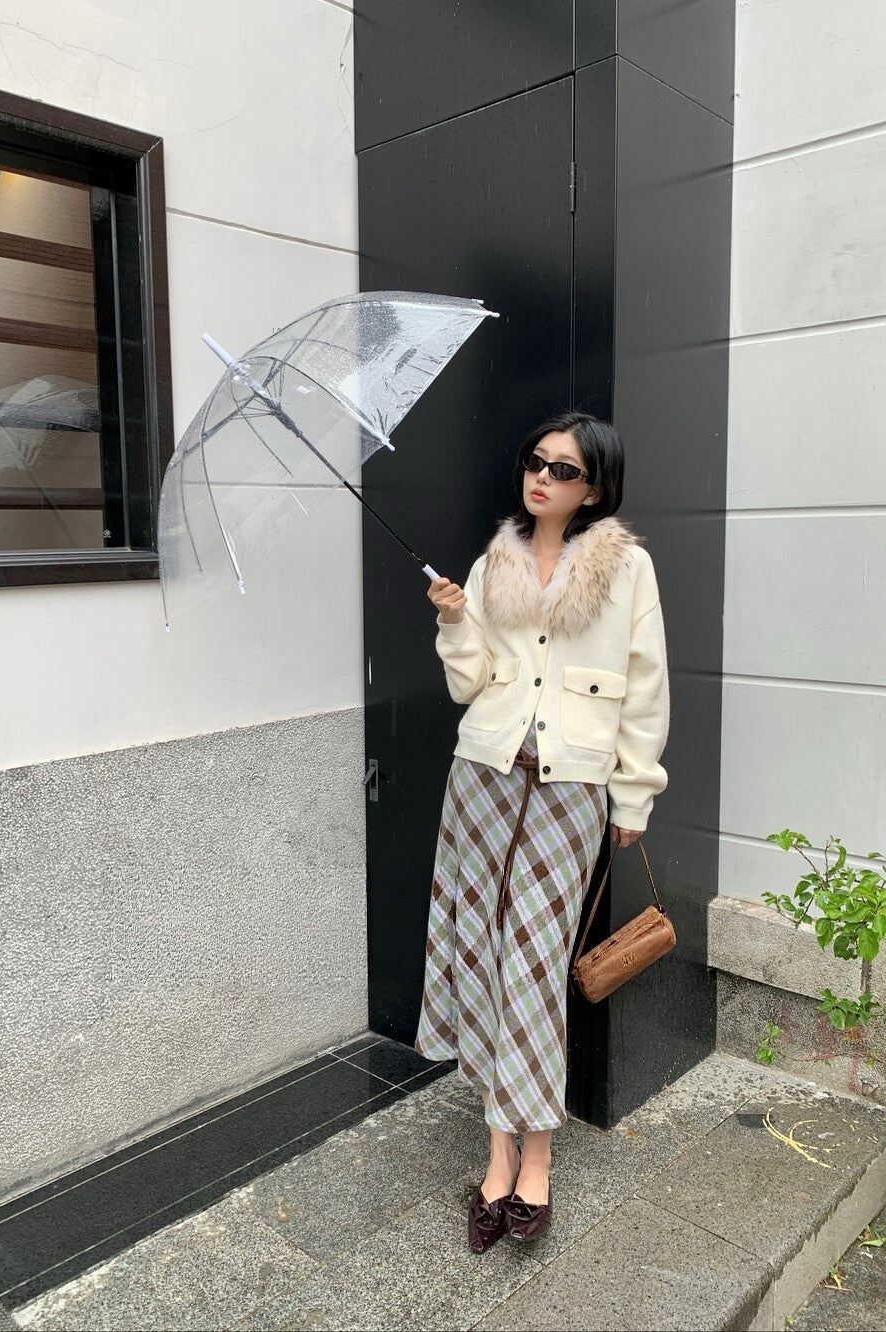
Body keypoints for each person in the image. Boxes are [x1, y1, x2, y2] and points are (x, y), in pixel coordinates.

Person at [414, 410, 669, 1252]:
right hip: (482, 780)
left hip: (570, 790)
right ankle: (498, 1151)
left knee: (532, 962)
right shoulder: (496, 561)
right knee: (483, 955)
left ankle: (538, 1158)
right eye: (535, 461)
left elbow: (646, 685)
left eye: (563, 469)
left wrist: (633, 796)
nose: (542, 478)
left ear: (593, 487)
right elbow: (471, 684)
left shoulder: (626, 568)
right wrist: (456, 620)